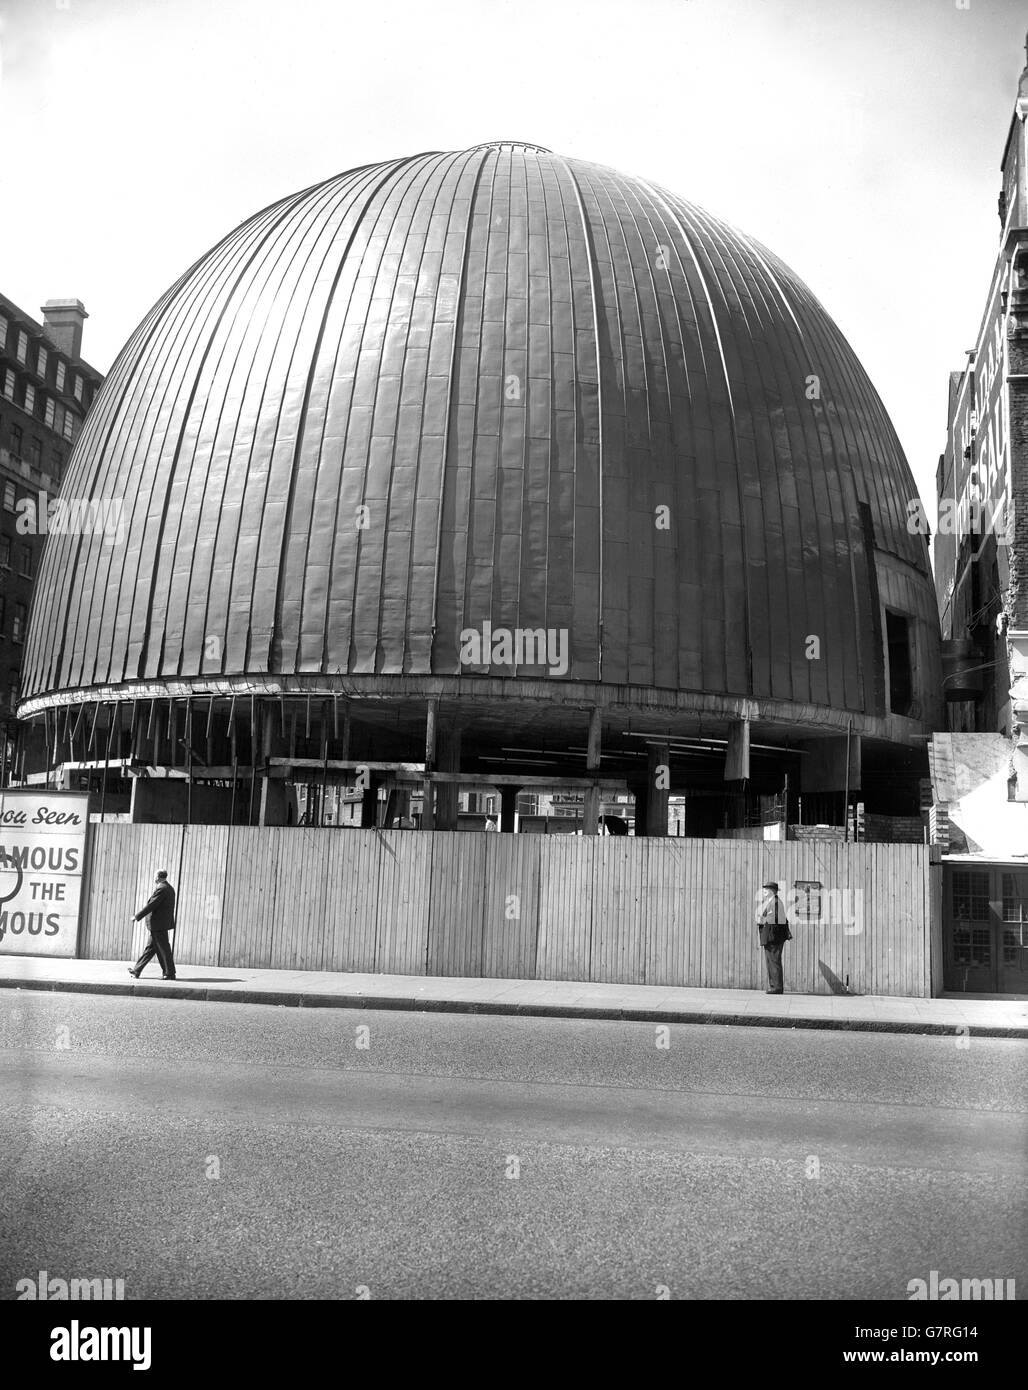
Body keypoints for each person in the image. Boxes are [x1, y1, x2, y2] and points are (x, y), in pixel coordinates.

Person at [128, 870, 177, 980]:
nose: (154, 877)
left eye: (155, 875)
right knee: (150, 949)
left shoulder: (162, 888)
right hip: (160, 924)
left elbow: (151, 905)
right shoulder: (169, 888)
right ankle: (137, 970)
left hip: (158, 924)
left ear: (158, 877)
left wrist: (137, 916)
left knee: (164, 949)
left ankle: (169, 973)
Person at [756, 880, 791, 994]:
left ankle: (777, 987)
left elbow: (775, 920)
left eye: (767, 889)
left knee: (774, 961)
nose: (764, 891)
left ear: (772, 891)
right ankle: (773, 986)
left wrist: (763, 920)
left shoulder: (775, 902)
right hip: (771, 937)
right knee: (770, 961)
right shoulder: (771, 902)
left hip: (774, 938)